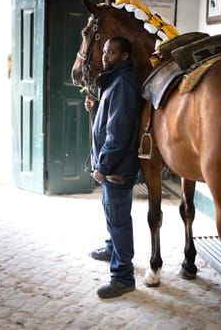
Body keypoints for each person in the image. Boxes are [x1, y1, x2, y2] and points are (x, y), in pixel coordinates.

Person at [84, 36, 141, 299]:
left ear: (125, 56)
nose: (105, 56)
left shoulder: (123, 84)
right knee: (112, 215)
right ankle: (111, 249)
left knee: (118, 220)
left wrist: (103, 166)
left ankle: (123, 277)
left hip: (117, 170)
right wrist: (96, 108)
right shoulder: (114, 81)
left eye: (112, 52)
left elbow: (117, 135)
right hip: (112, 169)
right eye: (105, 51)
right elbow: (108, 121)